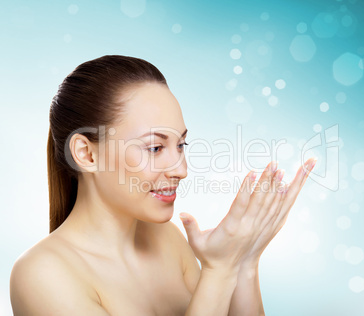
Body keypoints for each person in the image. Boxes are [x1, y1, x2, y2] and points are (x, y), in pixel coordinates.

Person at [9, 55, 317, 315]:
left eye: (181, 145)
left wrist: (245, 262)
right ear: (87, 154)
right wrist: (219, 271)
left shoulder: (166, 238)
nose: (181, 170)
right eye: (155, 148)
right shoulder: (41, 274)